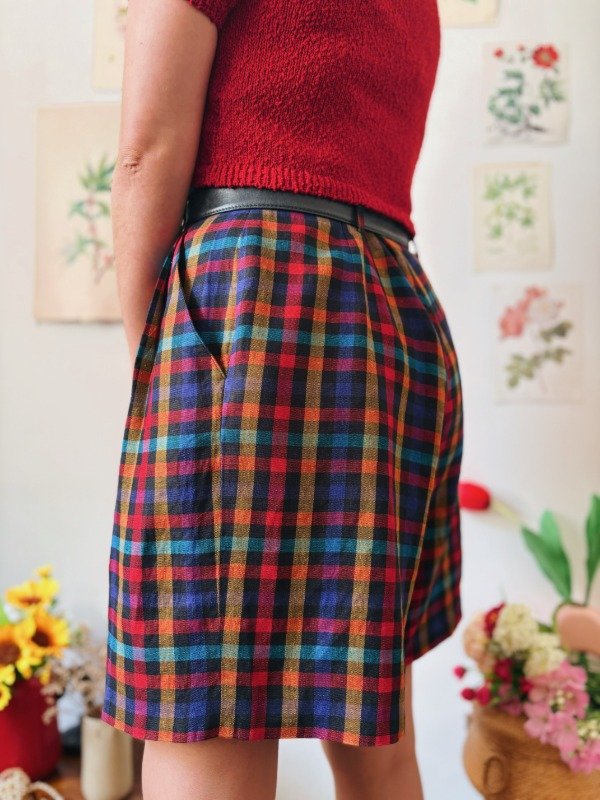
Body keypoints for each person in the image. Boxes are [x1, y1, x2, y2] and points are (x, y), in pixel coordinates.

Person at [101, 2, 464, 799]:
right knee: (374, 728)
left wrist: (149, 357)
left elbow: (144, 156)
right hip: (394, 312)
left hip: (264, 301)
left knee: (207, 716)